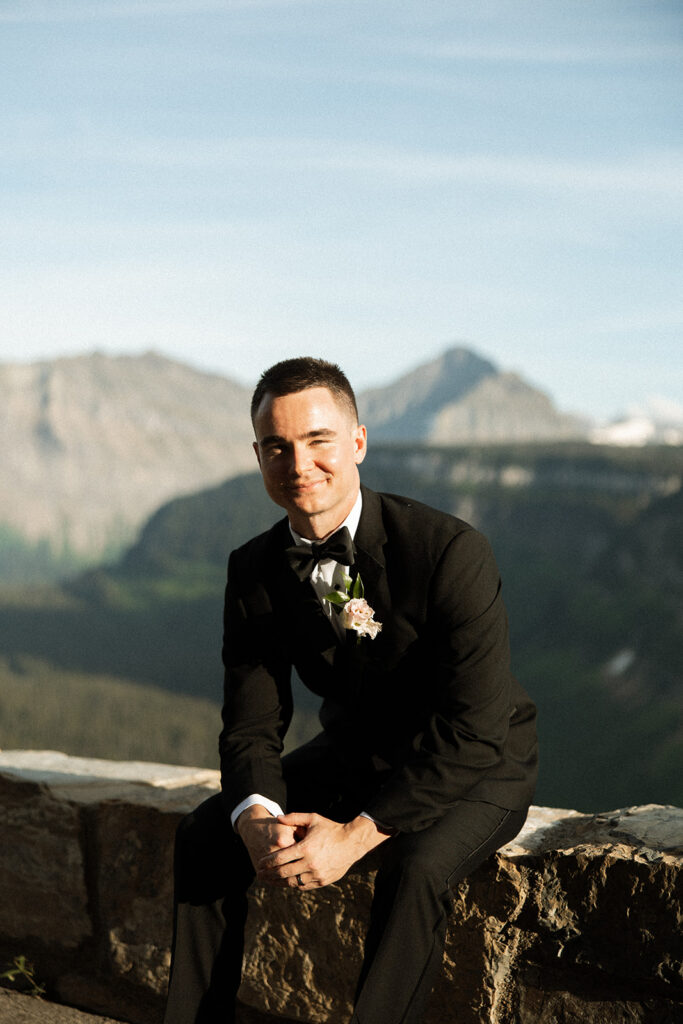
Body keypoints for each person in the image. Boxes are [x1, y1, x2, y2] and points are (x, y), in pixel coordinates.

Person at [163, 357, 538, 1024]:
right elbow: (251, 721)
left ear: (357, 442)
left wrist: (356, 836)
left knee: (415, 865)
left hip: (476, 763)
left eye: (317, 441)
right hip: (358, 751)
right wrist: (254, 815)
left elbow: (474, 728)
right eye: (277, 446)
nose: (297, 464)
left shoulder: (450, 550)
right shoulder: (252, 567)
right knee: (205, 835)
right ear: (258, 455)